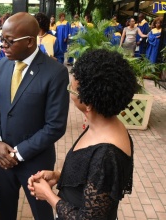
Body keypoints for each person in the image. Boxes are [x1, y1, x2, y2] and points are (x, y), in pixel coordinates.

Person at [28, 49, 136, 219]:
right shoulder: (102, 124)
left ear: (89, 104)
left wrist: (49, 195)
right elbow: (87, 174)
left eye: (73, 90)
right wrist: (57, 175)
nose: (70, 92)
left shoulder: (107, 155)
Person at [0, 12, 69, 220]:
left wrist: (19, 153)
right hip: (2, 158)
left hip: (35, 162)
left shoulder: (55, 72)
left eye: (8, 41)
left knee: (42, 214)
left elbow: (55, 125)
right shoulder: (3, 64)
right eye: (0, 38)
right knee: (6, 211)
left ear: (30, 42)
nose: (2, 45)